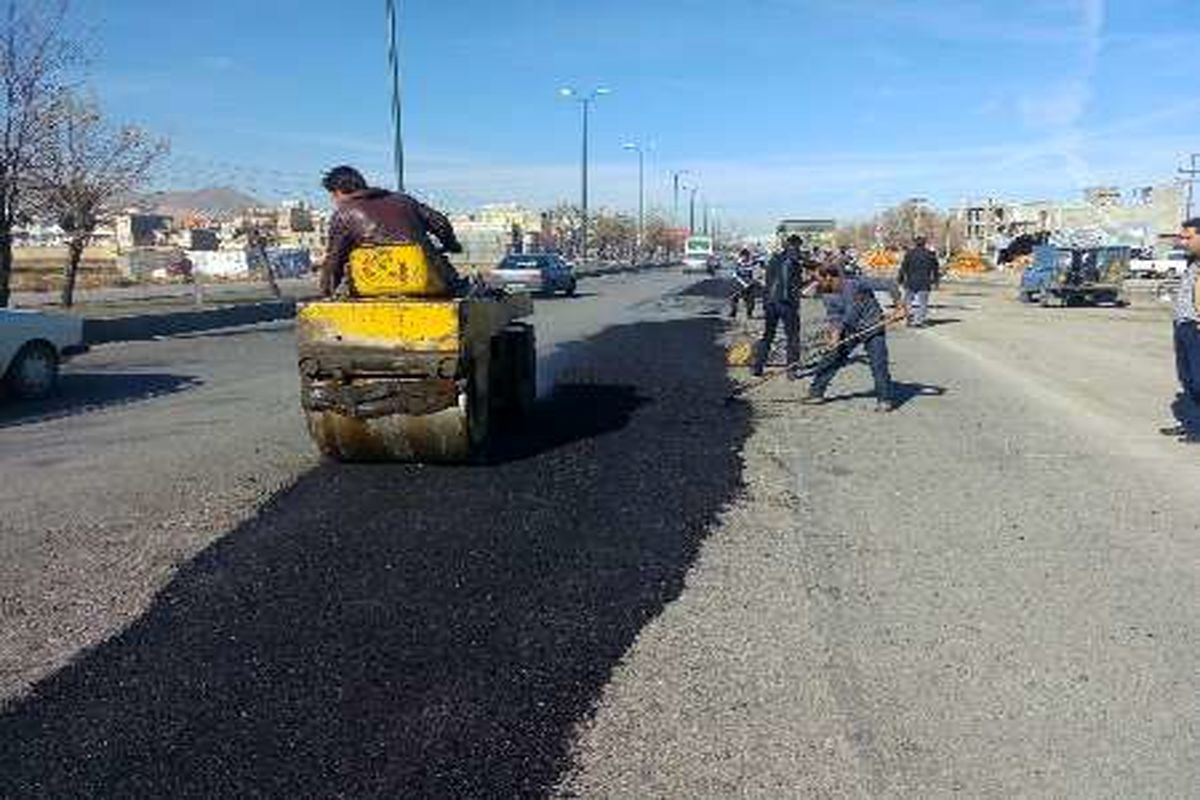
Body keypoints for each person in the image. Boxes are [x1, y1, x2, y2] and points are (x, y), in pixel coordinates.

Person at [318, 165, 464, 297]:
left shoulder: (343, 215)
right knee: (459, 286)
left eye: (333, 196)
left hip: (376, 283)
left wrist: (326, 292)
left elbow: (334, 260)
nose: (334, 201)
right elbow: (440, 222)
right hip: (429, 277)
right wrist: (451, 244)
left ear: (339, 191)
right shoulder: (404, 201)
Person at [805, 265, 906, 412]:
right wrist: (835, 337)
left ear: (828, 276)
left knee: (878, 363)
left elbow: (889, 284)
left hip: (872, 326)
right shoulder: (827, 295)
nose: (815, 283)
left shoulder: (856, 283)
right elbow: (835, 317)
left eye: (817, 279)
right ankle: (816, 392)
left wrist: (899, 306)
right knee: (831, 357)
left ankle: (884, 399)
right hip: (850, 329)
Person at [1160, 218, 1200, 441]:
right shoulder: (1193, 261)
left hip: (1196, 327)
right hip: (1184, 325)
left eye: (1188, 237)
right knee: (1188, 379)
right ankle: (1192, 424)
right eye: (1181, 237)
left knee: (1198, 379)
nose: (1183, 242)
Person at [751, 235, 808, 378]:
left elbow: (768, 279)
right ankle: (791, 369)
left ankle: (758, 367)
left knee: (768, 335)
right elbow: (794, 283)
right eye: (799, 246)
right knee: (793, 336)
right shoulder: (794, 259)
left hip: (770, 302)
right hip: (786, 303)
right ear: (796, 245)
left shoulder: (774, 258)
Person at [897, 235, 940, 327]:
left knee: (907, 301)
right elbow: (935, 269)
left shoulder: (909, 254)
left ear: (915, 243)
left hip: (910, 282)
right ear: (924, 243)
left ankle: (908, 319)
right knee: (923, 303)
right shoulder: (930, 255)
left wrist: (900, 279)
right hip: (924, 282)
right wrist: (936, 281)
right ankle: (919, 321)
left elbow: (903, 268)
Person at [728, 247, 761, 320]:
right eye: (743, 256)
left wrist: (753, 281)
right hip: (738, 284)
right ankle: (733, 311)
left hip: (749, 284)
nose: (744, 258)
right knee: (733, 297)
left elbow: (756, 273)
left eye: (746, 256)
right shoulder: (737, 264)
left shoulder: (752, 263)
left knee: (751, 301)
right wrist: (743, 283)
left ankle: (749, 313)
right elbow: (734, 275)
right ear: (740, 256)